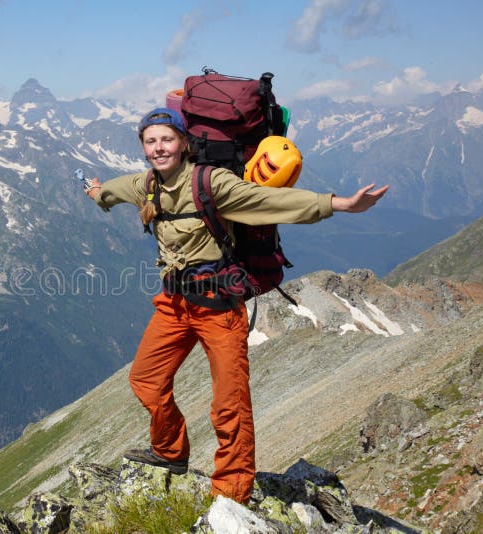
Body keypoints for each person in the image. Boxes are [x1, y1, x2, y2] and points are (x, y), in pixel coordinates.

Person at [84, 107, 388, 504]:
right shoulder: (146, 185)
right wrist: (95, 191)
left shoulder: (212, 183)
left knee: (230, 405)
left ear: (184, 143)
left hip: (219, 307)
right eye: (151, 141)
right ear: (143, 148)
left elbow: (270, 202)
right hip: (174, 304)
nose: (159, 148)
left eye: (166, 139)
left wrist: (341, 204)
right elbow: (111, 191)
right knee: (145, 380)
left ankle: (231, 494)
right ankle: (170, 452)